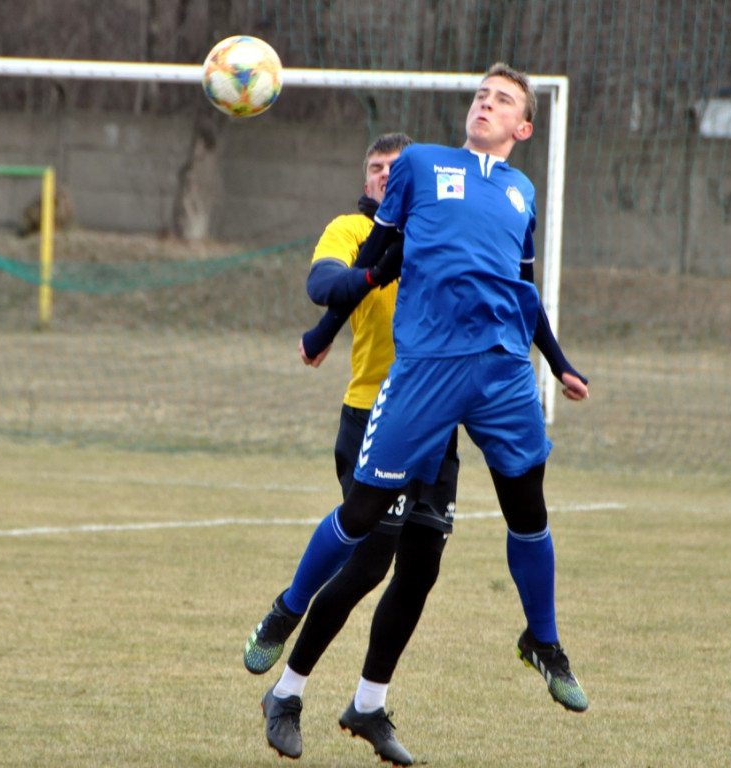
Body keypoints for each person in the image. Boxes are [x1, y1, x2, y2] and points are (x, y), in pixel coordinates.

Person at [246, 61, 591, 764]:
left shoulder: (522, 192)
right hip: (425, 373)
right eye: (481, 95)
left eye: (502, 101)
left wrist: (557, 363)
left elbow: (523, 293)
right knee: (364, 523)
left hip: (501, 372)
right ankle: (288, 609)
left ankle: (543, 640)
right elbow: (381, 256)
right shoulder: (423, 166)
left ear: (523, 127)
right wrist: (322, 326)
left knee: (524, 511)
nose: (486, 104)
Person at [246, 133, 459, 767]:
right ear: (366, 183)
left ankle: (368, 704)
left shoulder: (443, 231)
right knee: (368, 564)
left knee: (421, 567)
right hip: (373, 412)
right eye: (375, 169)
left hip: (440, 418)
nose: (386, 177)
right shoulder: (347, 228)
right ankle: (286, 693)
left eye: (397, 169)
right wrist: (358, 287)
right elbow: (327, 283)